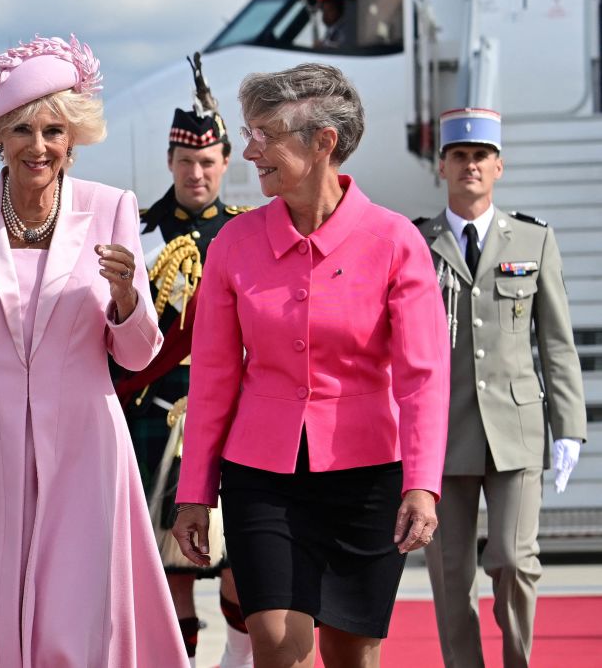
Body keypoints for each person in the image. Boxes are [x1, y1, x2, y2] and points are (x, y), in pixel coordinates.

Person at [0, 34, 188, 667]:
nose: (40, 146)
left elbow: (138, 355)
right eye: (24, 130)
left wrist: (125, 297)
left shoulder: (112, 208)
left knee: (77, 609)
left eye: (55, 131)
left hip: (87, 440)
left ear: (74, 138)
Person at [172, 63, 449, 668]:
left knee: (351, 653)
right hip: (261, 476)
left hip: (369, 477)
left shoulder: (396, 241)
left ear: (323, 141)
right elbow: (214, 378)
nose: (249, 151)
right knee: (275, 644)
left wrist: (422, 485)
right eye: (250, 133)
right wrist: (194, 492)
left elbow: (423, 378)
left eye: (265, 134)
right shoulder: (233, 245)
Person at [418, 108, 588, 668]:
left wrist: (569, 429)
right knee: (451, 578)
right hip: (442, 437)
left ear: (498, 167)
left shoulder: (534, 240)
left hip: (515, 432)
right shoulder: (418, 242)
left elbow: (556, 344)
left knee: (515, 562)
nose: (471, 165)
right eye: (460, 156)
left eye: (481, 156)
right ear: (442, 165)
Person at [112, 53, 252, 667]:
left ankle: (241, 659)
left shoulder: (249, 233)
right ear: (170, 162)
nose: (196, 173)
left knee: (241, 558)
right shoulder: (140, 234)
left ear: (225, 164)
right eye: (186, 162)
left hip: (234, 415)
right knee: (168, 563)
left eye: (207, 162)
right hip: (158, 409)